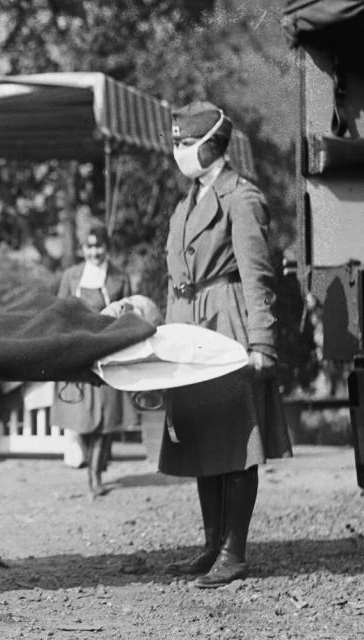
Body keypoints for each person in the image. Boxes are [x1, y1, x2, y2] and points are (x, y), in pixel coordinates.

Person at [161, 101, 291, 588]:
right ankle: (212, 546)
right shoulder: (187, 202)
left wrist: (262, 343)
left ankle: (234, 553)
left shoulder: (243, 198)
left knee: (235, 443)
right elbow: (175, 276)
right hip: (188, 327)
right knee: (202, 441)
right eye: (174, 142)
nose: (177, 151)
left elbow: (259, 276)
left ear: (212, 145)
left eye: (184, 143)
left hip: (228, 325)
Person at [51, 224, 132, 497]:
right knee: (81, 416)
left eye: (99, 246)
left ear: (107, 247)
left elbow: (129, 313)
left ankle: (95, 476)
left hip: (107, 351)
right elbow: (58, 312)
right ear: (83, 248)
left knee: (106, 418)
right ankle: (91, 461)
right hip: (77, 352)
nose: (94, 252)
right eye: (89, 247)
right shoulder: (71, 276)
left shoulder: (119, 276)